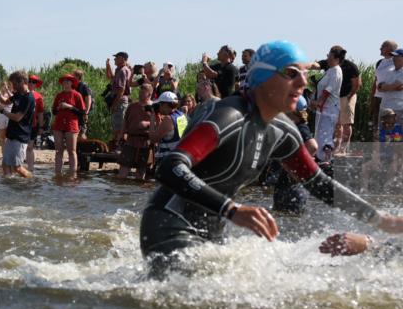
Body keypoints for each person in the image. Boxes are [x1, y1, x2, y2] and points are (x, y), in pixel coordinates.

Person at [139, 40, 403, 276]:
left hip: (212, 230)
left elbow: (318, 183)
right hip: (168, 225)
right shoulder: (228, 117)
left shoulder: (282, 132)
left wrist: (379, 219)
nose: (302, 82)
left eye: (304, 74)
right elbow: (170, 167)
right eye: (291, 74)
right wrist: (232, 210)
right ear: (262, 78)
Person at [267, 95, 316, 214]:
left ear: (292, 110)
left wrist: (294, 169)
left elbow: (313, 146)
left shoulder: (300, 128)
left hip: (292, 189)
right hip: (287, 186)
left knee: (287, 220)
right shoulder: (292, 128)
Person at [0, 71, 33, 178]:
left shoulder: (28, 98)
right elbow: (5, 102)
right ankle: (9, 187)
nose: (12, 86)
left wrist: (3, 111)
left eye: (14, 84)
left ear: (22, 82)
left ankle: (31, 180)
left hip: (21, 137)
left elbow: (18, 117)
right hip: (12, 135)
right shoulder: (18, 94)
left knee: (17, 167)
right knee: (5, 164)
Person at [310, 48, 342, 163]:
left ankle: (328, 162)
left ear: (337, 59)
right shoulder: (330, 70)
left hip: (329, 110)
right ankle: (321, 160)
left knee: (326, 136)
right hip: (323, 109)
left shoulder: (336, 71)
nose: (327, 58)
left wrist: (318, 102)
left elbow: (328, 90)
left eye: (330, 56)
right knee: (320, 135)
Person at [51, 73, 85, 177]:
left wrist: (70, 107)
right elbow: (54, 111)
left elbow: (82, 112)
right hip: (59, 124)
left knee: (72, 150)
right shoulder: (59, 95)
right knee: (58, 150)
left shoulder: (77, 95)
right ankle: (57, 174)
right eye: (64, 81)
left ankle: (72, 174)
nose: (66, 82)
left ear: (72, 83)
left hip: (71, 125)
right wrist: (58, 108)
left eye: (68, 81)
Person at [118, 83, 155, 180]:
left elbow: (159, 124)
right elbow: (125, 121)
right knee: (123, 169)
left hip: (145, 142)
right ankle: (119, 191)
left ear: (149, 94)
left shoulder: (154, 107)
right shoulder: (132, 106)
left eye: (143, 92)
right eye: (140, 91)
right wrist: (121, 135)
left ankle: (138, 194)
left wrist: (147, 123)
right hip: (130, 140)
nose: (140, 93)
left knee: (141, 171)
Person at [332, 47, 360, 156]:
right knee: (337, 124)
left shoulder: (350, 66)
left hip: (348, 96)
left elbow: (357, 83)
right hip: (335, 98)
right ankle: (336, 148)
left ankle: (343, 149)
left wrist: (350, 96)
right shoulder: (331, 65)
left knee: (346, 123)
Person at [104, 51, 132, 149]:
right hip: (119, 100)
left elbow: (121, 89)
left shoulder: (122, 70)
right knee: (116, 126)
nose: (115, 59)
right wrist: (108, 66)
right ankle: (117, 146)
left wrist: (115, 104)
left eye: (117, 57)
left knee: (120, 128)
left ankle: (121, 148)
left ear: (123, 59)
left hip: (120, 101)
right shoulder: (118, 70)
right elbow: (110, 78)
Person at [370, 40, 399, 127]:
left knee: (391, 125)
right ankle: (377, 139)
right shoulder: (380, 62)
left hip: (391, 100)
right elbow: (376, 81)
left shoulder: (397, 62)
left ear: (389, 49)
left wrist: (388, 88)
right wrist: (372, 98)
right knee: (377, 124)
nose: (380, 48)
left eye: (382, 46)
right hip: (378, 99)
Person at [375, 48, 403, 118]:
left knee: (396, 128)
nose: (394, 58)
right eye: (394, 56)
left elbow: (390, 87)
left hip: (397, 108)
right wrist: (393, 88)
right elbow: (379, 87)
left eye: (396, 56)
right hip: (384, 106)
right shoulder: (389, 72)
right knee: (382, 128)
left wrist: (385, 87)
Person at [71, 69, 92, 138]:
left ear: (78, 77)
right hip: (75, 112)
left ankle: (83, 146)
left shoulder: (84, 86)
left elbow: (88, 100)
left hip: (82, 112)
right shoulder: (73, 86)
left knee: (82, 131)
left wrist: (86, 112)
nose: (71, 77)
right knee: (75, 131)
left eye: (73, 75)